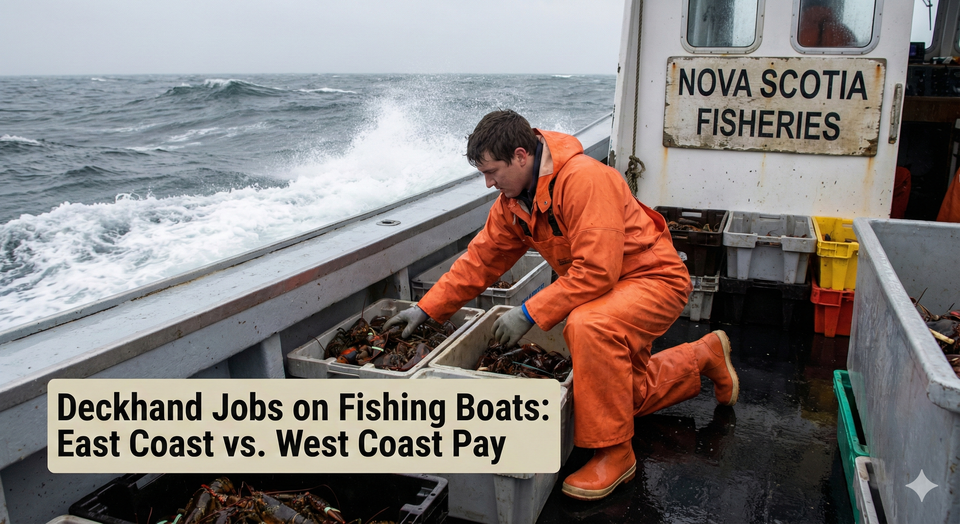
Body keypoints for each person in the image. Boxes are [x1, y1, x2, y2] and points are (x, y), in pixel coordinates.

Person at [385, 110, 739, 501]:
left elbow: (598, 271)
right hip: (608, 289)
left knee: (588, 325)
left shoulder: (585, 179)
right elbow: (481, 259)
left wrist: (528, 312)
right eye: (483, 174)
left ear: (521, 156)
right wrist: (427, 309)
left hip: (652, 280)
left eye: (493, 171)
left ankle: (615, 453)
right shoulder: (514, 202)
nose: (489, 183)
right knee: (620, 397)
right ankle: (703, 356)